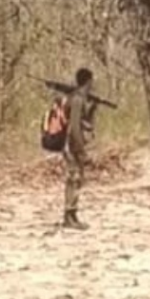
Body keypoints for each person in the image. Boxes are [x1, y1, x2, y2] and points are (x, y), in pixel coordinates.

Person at [63, 67, 94, 230]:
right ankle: (69, 216)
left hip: (73, 145)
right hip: (72, 145)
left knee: (77, 180)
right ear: (88, 81)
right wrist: (81, 150)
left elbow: (86, 121)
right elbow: (75, 126)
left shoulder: (78, 98)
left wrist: (93, 108)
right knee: (73, 179)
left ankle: (72, 214)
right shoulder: (77, 99)